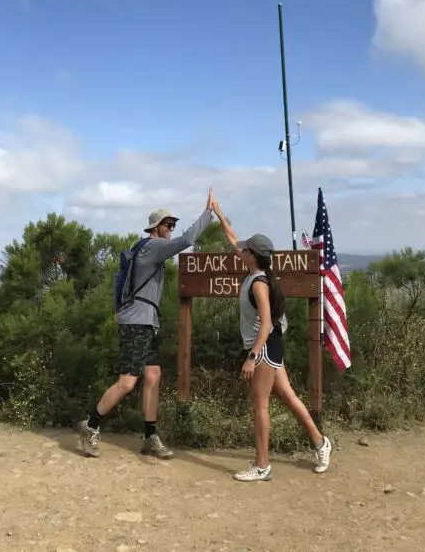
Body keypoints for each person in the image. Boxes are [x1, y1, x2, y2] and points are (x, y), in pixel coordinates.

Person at [77, 189, 215, 460]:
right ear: (155, 227)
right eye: (167, 224)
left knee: (153, 376)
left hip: (145, 322)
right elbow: (187, 239)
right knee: (128, 382)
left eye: (173, 224)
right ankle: (90, 425)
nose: (171, 229)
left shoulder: (143, 248)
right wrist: (208, 213)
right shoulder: (153, 247)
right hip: (137, 322)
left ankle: (150, 437)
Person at [212, 198, 332, 481]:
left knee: (260, 405)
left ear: (253, 255)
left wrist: (252, 357)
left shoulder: (259, 283)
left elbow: (266, 323)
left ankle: (262, 465)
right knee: (288, 396)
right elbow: (232, 239)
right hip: (270, 345)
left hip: (263, 348)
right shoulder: (257, 271)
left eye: (246, 249)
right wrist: (219, 213)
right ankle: (320, 442)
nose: (241, 250)